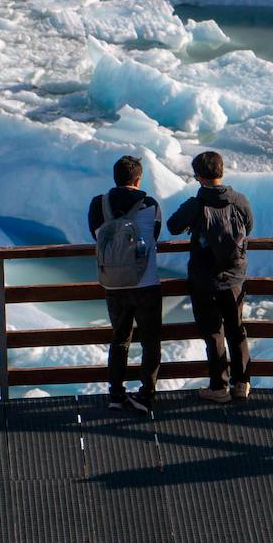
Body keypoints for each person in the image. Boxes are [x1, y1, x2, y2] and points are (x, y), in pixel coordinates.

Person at [168, 151, 254, 403]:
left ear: (198, 177)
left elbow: (173, 226)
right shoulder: (239, 200)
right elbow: (248, 226)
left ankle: (219, 388)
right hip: (234, 277)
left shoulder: (195, 204)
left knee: (214, 332)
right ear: (222, 171)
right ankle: (242, 384)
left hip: (204, 279)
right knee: (237, 330)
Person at [88, 155, 163, 415]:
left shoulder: (99, 204)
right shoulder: (150, 204)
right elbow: (154, 236)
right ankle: (146, 395)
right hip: (146, 283)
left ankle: (116, 395)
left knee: (120, 339)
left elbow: (96, 236)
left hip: (114, 284)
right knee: (150, 341)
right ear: (138, 179)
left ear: (115, 178)